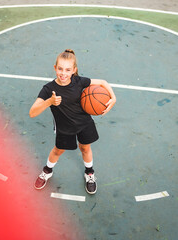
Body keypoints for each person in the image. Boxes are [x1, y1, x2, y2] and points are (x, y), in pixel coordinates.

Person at [29, 49, 116, 194]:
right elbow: (32, 112)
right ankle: (47, 170)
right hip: (64, 128)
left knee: (85, 148)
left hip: (84, 123)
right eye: (60, 69)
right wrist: (49, 101)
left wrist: (113, 98)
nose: (63, 73)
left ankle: (89, 172)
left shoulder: (78, 81)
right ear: (55, 68)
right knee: (58, 150)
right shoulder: (48, 89)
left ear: (74, 70)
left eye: (68, 70)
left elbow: (102, 82)